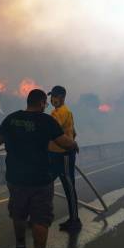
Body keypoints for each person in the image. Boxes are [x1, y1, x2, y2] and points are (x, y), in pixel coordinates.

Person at [0, 89, 78, 248]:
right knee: (40, 218)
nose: (46, 105)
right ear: (41, 103)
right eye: (45, 103)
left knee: (18, 214)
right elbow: (63, 142)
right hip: (40, 179)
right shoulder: (46, 121)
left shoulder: (12, 118)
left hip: (15, 178)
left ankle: (20, 247)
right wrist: (74, 144)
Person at [47, 85, 81, 231]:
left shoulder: (61, 113)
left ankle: (75, 220)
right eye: (51, 96)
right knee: (46, 184)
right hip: (55, 154)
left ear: (61, 97)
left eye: (54, 96)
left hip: (64, 155)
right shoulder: (61, 112)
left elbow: (49, 130)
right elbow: (73, 132)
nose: (51, 99)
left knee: (68, 186)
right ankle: (43, 215)